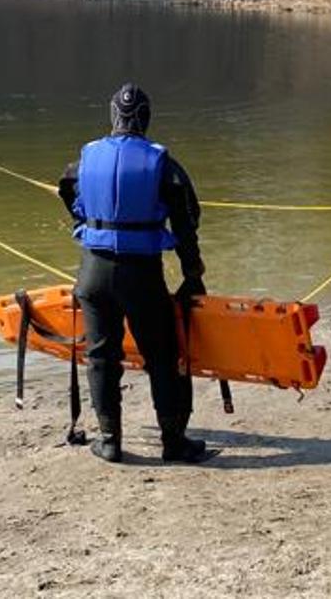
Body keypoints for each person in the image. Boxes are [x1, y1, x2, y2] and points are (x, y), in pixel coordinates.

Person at [58, 83, 211, 464]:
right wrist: (192, 275)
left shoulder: (85, 158)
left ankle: (109, 440)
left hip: (92, 271)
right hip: (140, 274)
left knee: (100, 355)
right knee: (161, 355)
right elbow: (187, 223)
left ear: (114, 115)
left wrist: (84, 219)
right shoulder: (162, 163)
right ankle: (173, 442)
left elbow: (66, 190)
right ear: (144, 119)